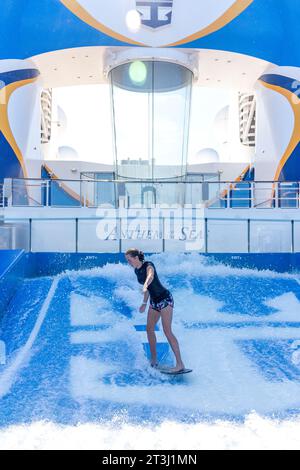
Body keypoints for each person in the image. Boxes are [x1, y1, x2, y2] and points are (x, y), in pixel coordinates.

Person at [125, 248, 185, 372]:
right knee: (149, 329)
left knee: (167, 331)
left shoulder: (149, 265)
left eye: (129, 260)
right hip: (154, 302)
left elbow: (150, 276)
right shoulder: (136, 270)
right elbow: (147, 290)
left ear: (136, 258)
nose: (128, 263)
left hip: (165, 300)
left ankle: (180, 364)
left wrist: (146, 283)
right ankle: (154, 359)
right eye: (127, 261)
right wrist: (144, 303)